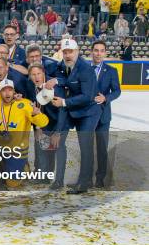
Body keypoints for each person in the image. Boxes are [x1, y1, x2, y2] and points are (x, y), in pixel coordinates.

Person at [46, 38, 101, 195]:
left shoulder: (85, 69)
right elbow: (65, 79)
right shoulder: (62, 65)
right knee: (60, 140)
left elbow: (87, 96)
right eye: (65, 52)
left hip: (88, 113)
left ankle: (84, 183)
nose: (68, 55)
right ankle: (59, 180)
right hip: (72, 110)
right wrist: (57, 79)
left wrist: (63, 102)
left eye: (71, 52)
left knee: (85, 146)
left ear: (77, 52)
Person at [0, 79, 48, 189]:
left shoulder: (24, 104)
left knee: (11, 184)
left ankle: (23, 168)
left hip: (17, 151)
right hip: (2, 147)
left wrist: (36, 115)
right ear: (0, 93)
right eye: (4, 90)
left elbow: (44, 122)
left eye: (10, 90)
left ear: (14, 92)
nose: (7, 93)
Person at [25, 63, 68, 188]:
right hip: (44, 123)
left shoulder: (54, 87)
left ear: (43, 73)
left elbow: (62, 110)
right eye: (33, 75)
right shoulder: (30, 87)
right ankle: (44, 178)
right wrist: (38, 128)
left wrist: (57, 132)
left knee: (58, 148)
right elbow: (35, 107)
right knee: (43, 147)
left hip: (60, 122)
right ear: (29, 76)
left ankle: (59, 181)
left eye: (38, 73)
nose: (36, 77)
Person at [90, 40, 121, 188]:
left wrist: (106, 98)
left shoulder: (111, 70)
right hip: (86, 117)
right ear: (91, 52)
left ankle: (100, 177)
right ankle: (85, 176)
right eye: (96, 50)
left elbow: (117, 91)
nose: (98, 53)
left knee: (102, 148)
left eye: (101, 50)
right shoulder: (83, 69)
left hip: (103, 116)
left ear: (105, 53)